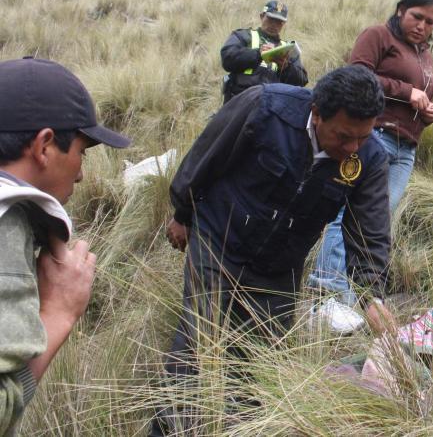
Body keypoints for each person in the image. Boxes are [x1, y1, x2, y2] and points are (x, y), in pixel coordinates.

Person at [149, 65, 396, 436]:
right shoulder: (265, 107)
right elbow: (207, 155)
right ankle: (168, 430)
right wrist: (183, 213)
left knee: (256, 367)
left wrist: (371, 296)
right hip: (219, 241)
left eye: (362, 137)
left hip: (279, 267)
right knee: (195, 347)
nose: (352, 148)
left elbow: (368, 232)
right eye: (344, 136)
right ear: (317, 113)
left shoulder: (368, 160)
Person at [0, 58, 130, 435]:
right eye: (82, 152)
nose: (82, 172)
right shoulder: (7, 224)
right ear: (43, 146)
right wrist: (59, 311)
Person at [308, 0, 433, 333]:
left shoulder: (425, 55)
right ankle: (327, 293)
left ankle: (353, 301)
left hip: (405, 148)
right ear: (401, 10)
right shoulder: (378, 35)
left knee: (375, 219)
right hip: (372, 138)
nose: (422, 26)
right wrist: (406, 92)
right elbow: (356, 77)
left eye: (430, 22)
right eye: (417, 16)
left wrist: (427, 112)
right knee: (345, 212)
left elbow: (417, 95)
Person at [220, 0, 308, 103]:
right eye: (271, 19)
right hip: (241, 100)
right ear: (262, 16)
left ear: (283, 24)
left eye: (279, 22)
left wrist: (286, 68)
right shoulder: (243, 36)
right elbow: (227, 59)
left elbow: (302, 81)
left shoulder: (288, 49)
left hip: (273, 105)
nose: (274, 25)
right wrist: (258, 54)